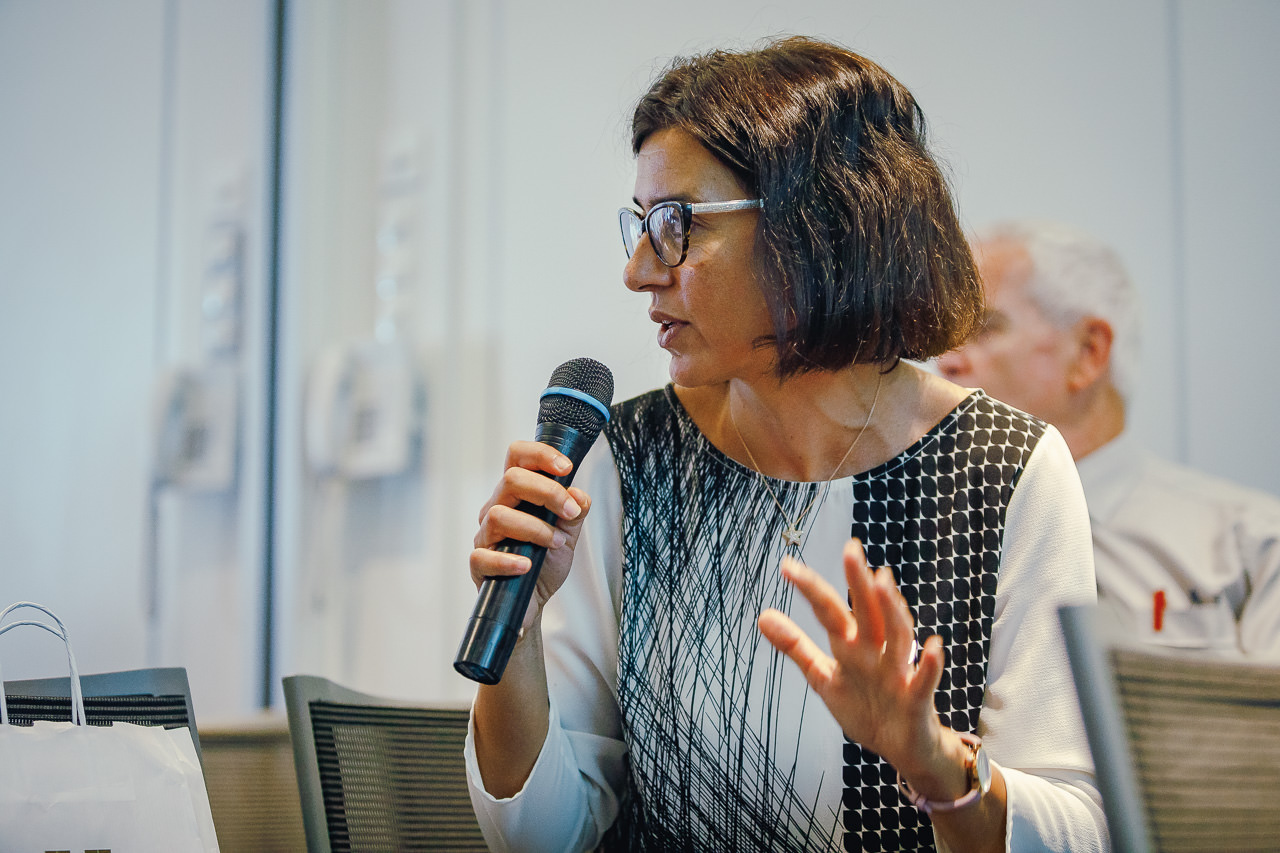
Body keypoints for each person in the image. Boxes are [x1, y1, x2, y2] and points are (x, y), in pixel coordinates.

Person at [464, 38, 1107, 853]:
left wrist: (934, 763)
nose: (639, 271)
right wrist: (519, 632)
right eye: (641, 225)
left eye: (676, 225)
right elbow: (541, 838)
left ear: (819, 224)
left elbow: (1080, 828)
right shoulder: (630, 457)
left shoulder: (1004, 468)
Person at [938, 220, 1280, 658]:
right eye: (947, 336)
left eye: (985, 328)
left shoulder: (1251, 546)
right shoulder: (915, 550)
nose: (946, 362)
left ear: (1088, 353)